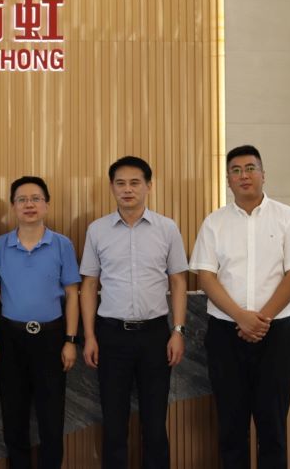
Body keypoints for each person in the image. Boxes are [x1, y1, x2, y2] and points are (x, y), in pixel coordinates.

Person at [190, 145, 290, 469]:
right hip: (225, 333)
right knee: (231, 425)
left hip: (275, 334)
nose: (243, 175)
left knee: (273, 424)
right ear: (228, 180)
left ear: (263, 174)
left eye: (250, 168)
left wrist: (262, 319)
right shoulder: (214, 222)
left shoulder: (288, 218)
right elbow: (206, 277)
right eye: (235, 170)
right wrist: (241, 318)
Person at [80, 156, 188, 469]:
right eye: (121, 183)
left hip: (155, 335)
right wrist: (90, 336)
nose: (127, 189)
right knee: (114, 423)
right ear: (112, 187)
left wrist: (178, 331)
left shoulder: (167, 228)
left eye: (135, 183)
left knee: (154, 423)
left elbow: (178, 281)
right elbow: (89, 285)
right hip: (111, 335)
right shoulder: (97, 230)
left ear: (148, 186)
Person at [0, 176, 81, 469]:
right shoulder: (0, 246)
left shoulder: (62, 244)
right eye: (22, 199)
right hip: (10, 338)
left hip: (51, 338)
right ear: (13, 206)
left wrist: (70, 340)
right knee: (14, 416)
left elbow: (72, 294)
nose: (29, 204)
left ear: (47, 205)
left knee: (51, 417)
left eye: (36, 198)